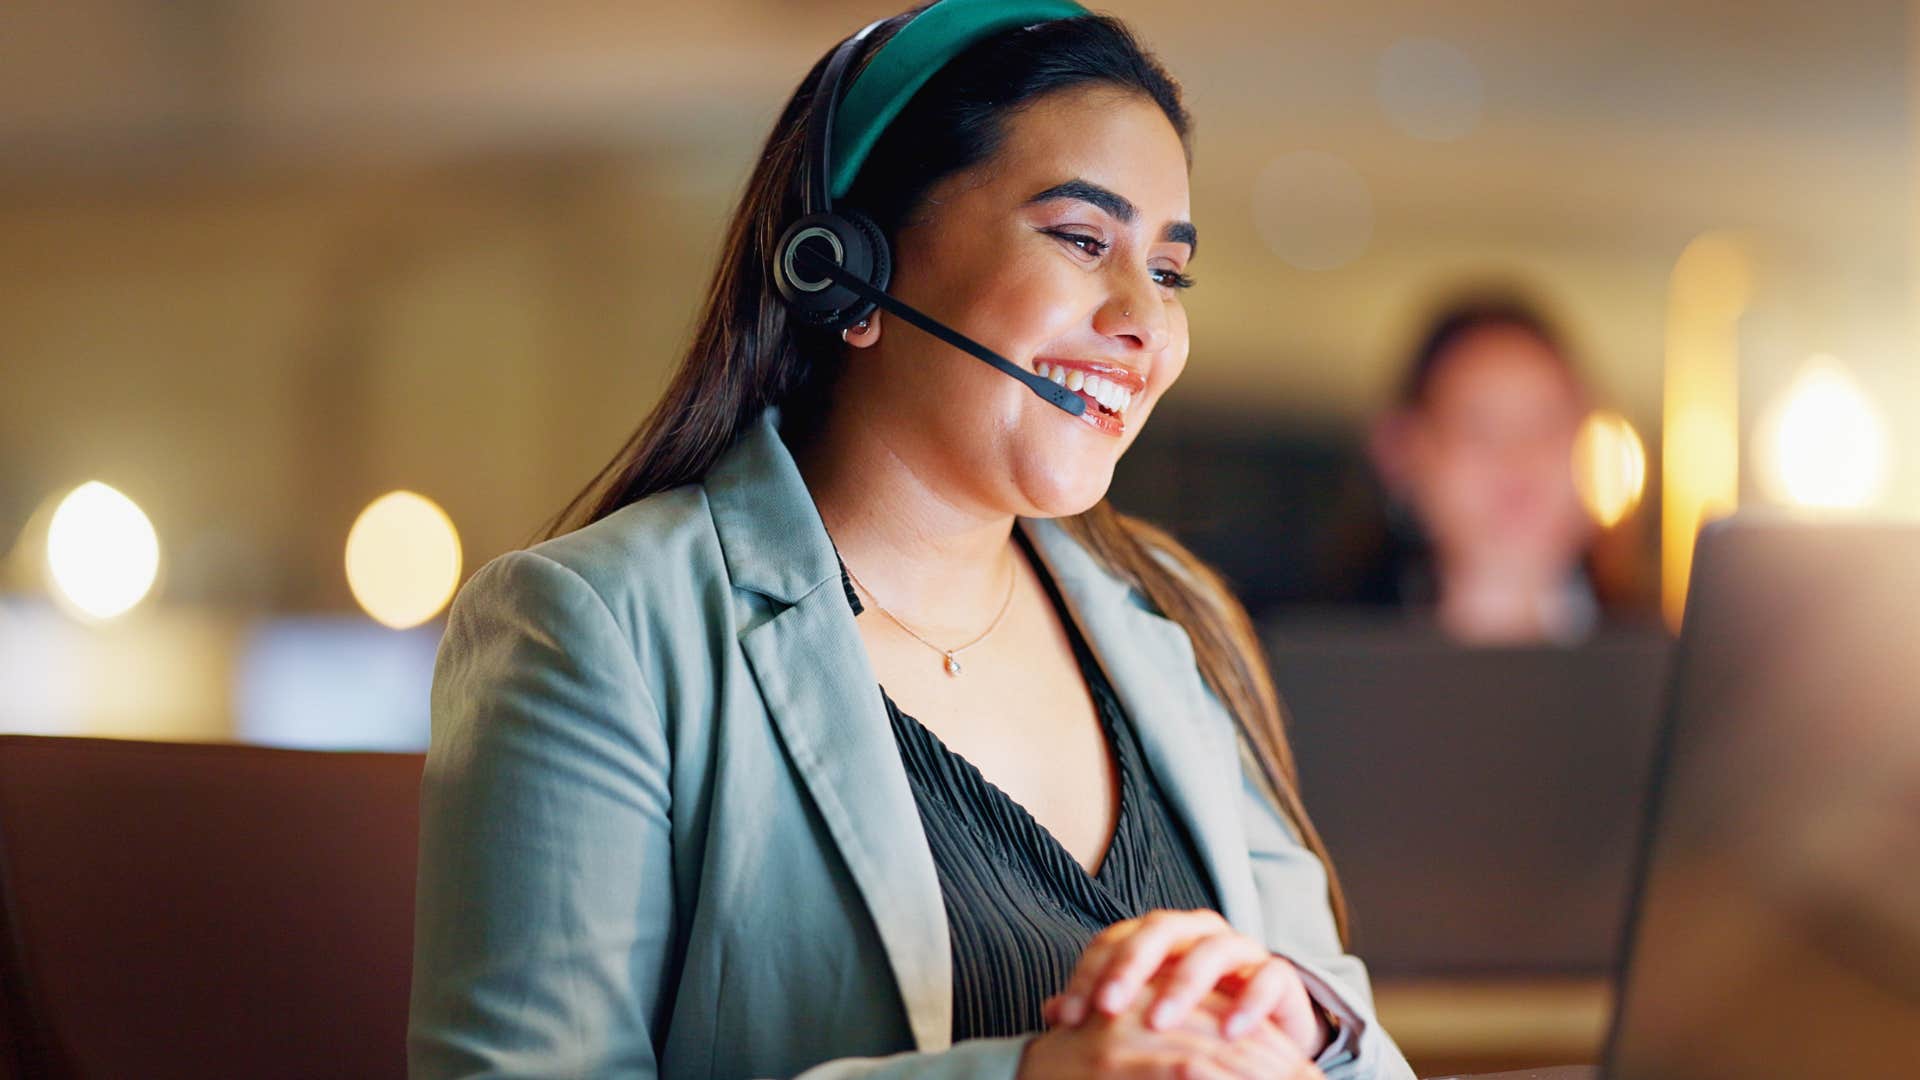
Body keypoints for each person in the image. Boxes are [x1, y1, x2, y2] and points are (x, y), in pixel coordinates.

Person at [408, 3, 1415, 1078]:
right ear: (850, 273)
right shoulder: (597, 627)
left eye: (1169, 272)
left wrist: (1300, 1025)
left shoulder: (1175, 612)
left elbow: (1355, 1031)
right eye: (1083, 240)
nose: (1146, 322)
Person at [1352, 295, 1619, 645]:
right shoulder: (1314, 676)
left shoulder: (1672, 667)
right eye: (1478, 426)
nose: (1518, 456)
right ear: (1401, 451)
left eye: (1547, 422)